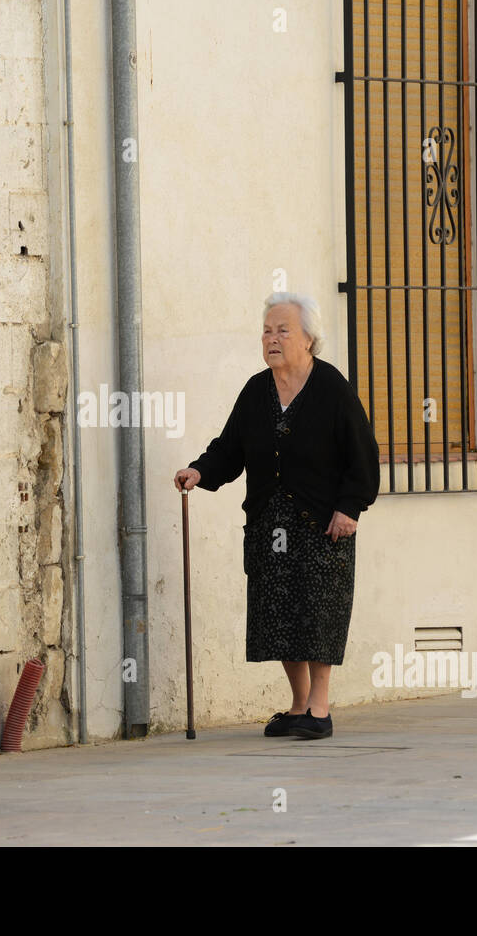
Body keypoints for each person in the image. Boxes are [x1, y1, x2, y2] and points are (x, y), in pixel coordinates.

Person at [173, 292, 380, 738]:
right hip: (271, 526)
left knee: (319, 614)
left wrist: (350, 507)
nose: (272, 338)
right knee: (281, 616)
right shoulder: (256, 391)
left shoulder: (331, 389)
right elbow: (229, 449)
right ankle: (299, 705)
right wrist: (199, 471)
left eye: (283, 330)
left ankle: (320, 711)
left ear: (309, 339)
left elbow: (363, 455)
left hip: (325, 526)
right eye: (267, 330)